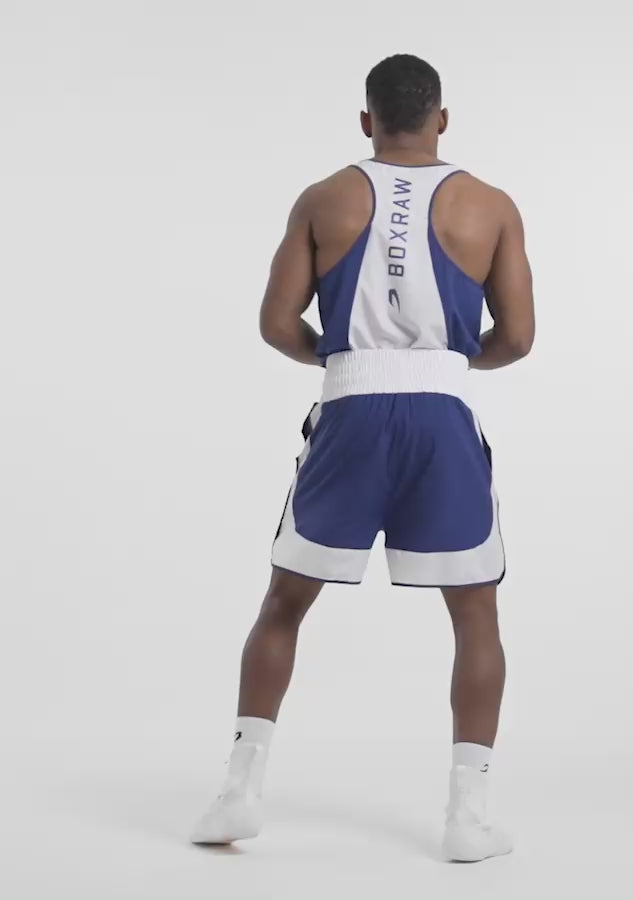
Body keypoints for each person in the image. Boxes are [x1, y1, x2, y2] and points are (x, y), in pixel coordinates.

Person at [191, 53, 534, 862]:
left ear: (366, 121)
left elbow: (277, 324)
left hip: (348, 411)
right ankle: (467, 818)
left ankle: (238, 794)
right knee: (476, 615)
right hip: (442, 419)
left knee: (284, 602)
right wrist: (445, 364)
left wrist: (350, 363)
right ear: (441, 119)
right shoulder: (491, 205)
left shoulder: (323, 199)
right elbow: (518, 338)